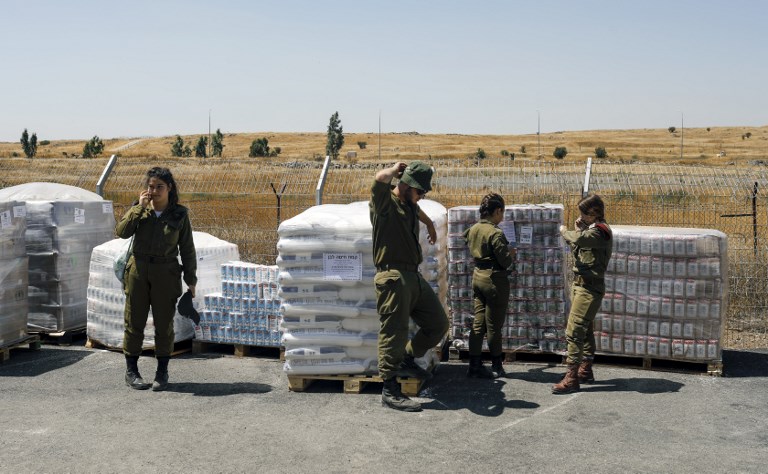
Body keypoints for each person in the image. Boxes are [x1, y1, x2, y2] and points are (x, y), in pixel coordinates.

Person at [370, 160, 450, 412]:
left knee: (438, 323)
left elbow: (419, 211)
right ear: (406, 186)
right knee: (393, 332)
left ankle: (407, 356)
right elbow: (379, 180)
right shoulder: (385, 205)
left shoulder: (410, 204)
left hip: (412, 277)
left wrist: (428, 224)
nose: (422, 196)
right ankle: (389, 389)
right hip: (392, 276)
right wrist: (394, 170)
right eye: (420, 191)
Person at [115, 167, 197, 391]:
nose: (154, 191)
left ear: (169, 188)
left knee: (164, 324)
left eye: (159, 187)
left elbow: (187, 249)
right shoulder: (139, 210)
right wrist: (138, 209)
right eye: (151, 186)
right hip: (138, 272)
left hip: (166, 273)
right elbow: (121, 231)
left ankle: (162, 371)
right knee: (134, 322)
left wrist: (191, 279)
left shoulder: (179, 214)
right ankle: (132, 371)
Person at [552, 194, 612, 394]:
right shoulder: (590, 233)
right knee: (584, 330)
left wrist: (565, 231)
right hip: (580, 286)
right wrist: (579, 231)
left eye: (584, 213)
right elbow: (579, 249)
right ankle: (585, 370)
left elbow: (578, 239)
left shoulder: (600, 232)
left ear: (594, 213)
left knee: (574, 331)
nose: (581, 216)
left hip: (589, 288)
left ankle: (571, 378)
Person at [463, 193, 514, 379]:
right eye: (502, 213)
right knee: (493, 326)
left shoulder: (473, 229)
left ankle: (474, 365)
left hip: (477, 277)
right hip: (494, 280)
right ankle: (496, 366)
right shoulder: (496, 233)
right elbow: (505, 262)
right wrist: (511, 254)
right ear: (497, 211)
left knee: (478, 324)